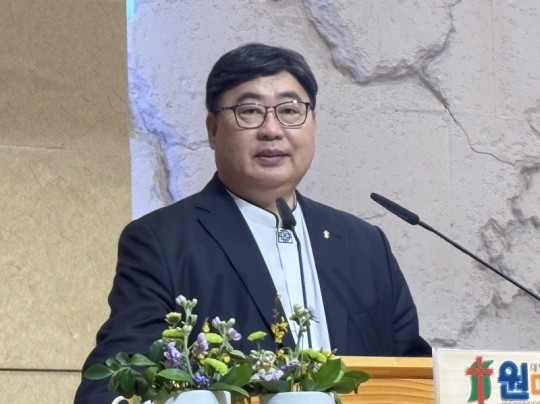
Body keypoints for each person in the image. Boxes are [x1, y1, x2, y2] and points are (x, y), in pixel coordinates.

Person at [75, 43, 430, 403]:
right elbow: (110, 386)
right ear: (213, 130)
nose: (272, 130)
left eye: (290, 110)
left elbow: (417, 377)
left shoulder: (364, 244)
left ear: (313, 124)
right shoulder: (163, 241)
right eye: (249, 112)